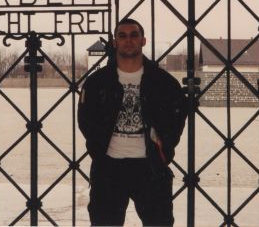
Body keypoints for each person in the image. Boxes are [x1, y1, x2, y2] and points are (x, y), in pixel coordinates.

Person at [78, 18, 187, 226]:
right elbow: (85, 119)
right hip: (108, 168)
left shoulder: (162, 82)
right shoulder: (97, 82)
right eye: (122, 35)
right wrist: (98, 147)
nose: (128, 40)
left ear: (143, 40)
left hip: (151, 169)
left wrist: (165, 146)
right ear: (115, 42)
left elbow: (177, 115)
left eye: (134, 35)